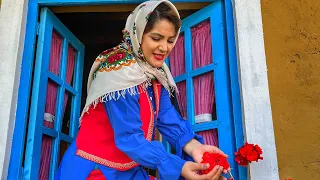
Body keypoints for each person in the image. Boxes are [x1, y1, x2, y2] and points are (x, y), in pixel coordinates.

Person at [55, 1, 231, 179]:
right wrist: (177, 166)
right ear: (137, 34)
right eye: (156, 38)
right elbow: (130, 138)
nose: (164, 48)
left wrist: (195, 148)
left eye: (170, 40)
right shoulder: (118, 71)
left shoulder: (155, 73)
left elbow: (167, 116)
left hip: (126, 169)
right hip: (95, 169)